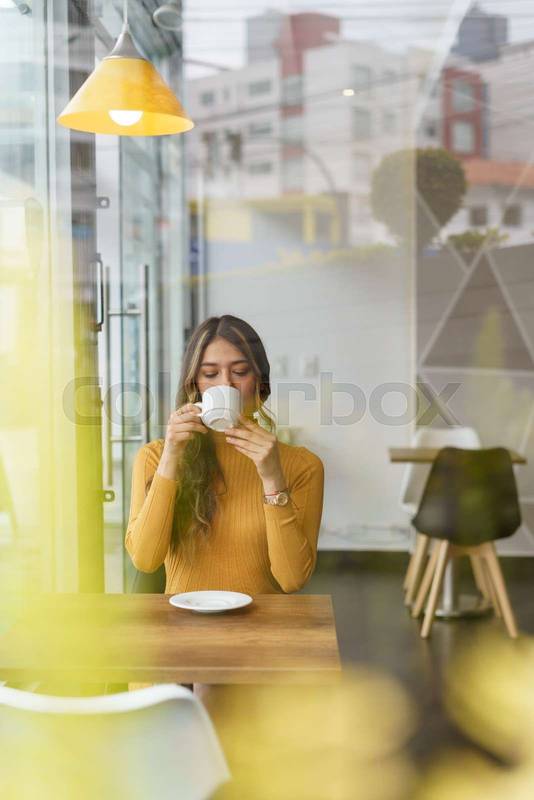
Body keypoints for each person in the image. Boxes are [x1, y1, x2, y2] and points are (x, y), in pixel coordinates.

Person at [125, 314, 324, 595]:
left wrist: (272, 479)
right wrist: (171, 459)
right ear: (194, 384)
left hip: (262, 631)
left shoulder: (301, 466)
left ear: (260, 383)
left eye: (240, 372)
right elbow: (145, 561)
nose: (225, 384)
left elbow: (292, 579)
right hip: (183, 629)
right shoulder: (155, 457)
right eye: (210, 374)